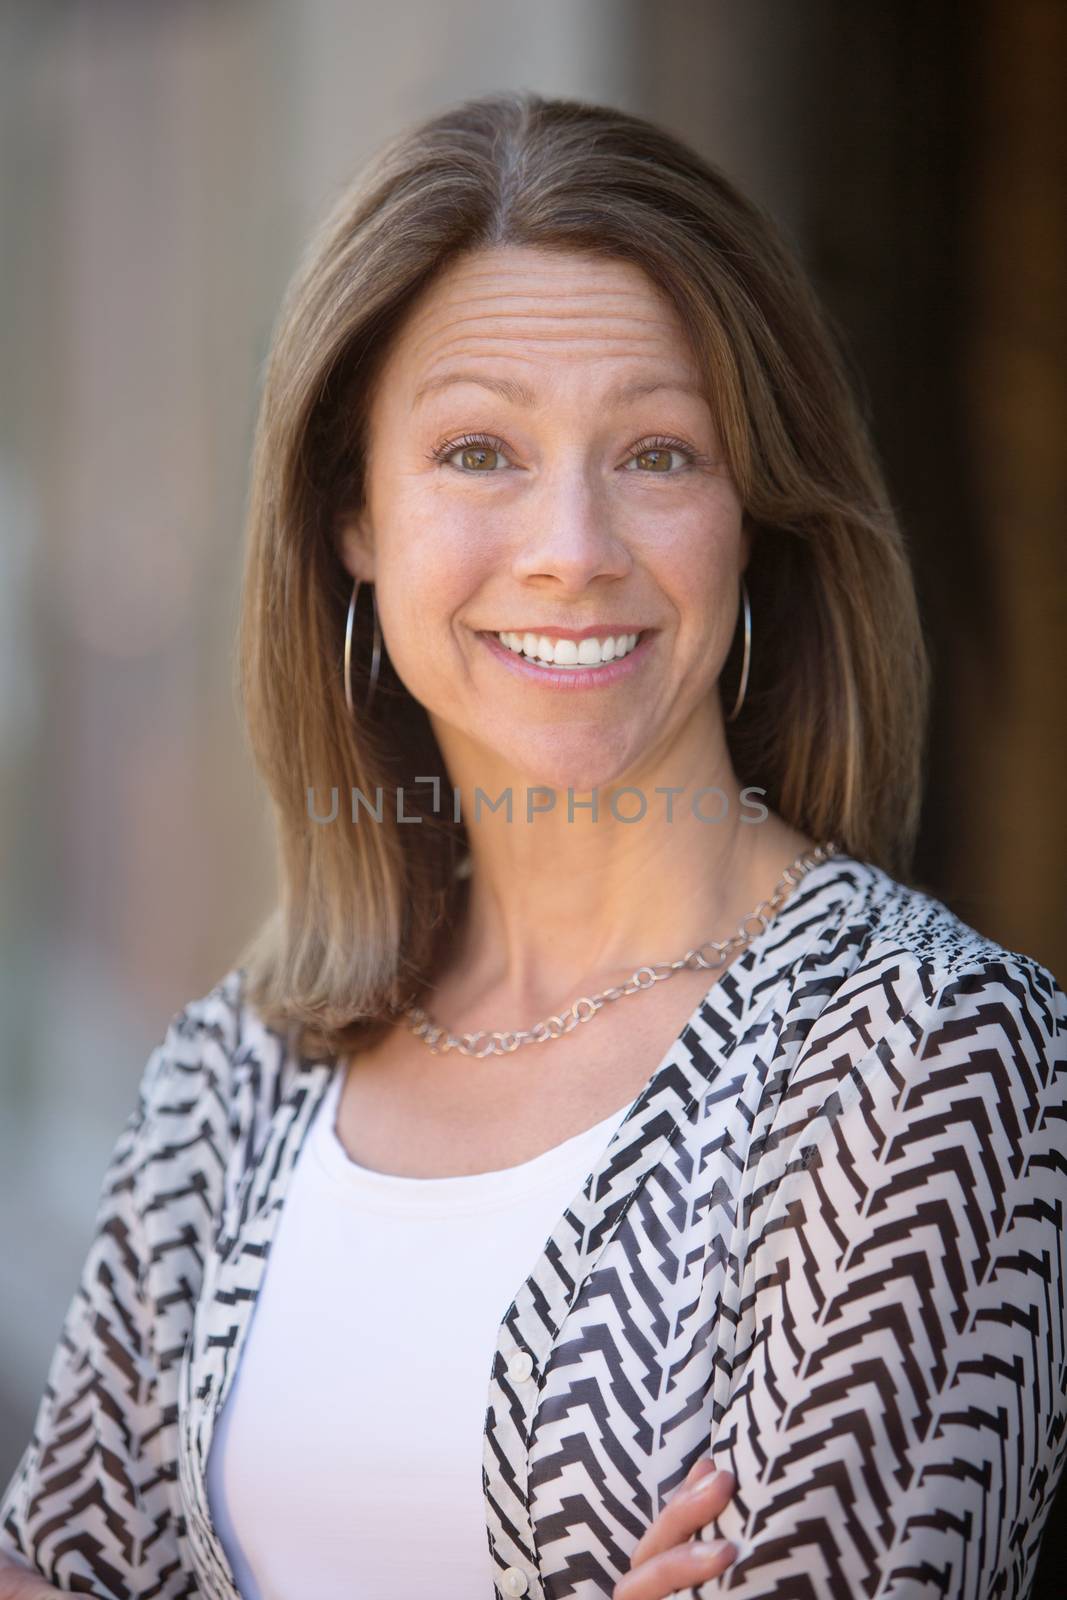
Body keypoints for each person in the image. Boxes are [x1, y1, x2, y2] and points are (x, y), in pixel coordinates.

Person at [1, 89, 1063, 1600]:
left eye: (660, 454)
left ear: (753, 508)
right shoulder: (240, 1075)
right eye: (480, 451)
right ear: (351, 514)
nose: (571, 545)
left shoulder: (931, 1063)